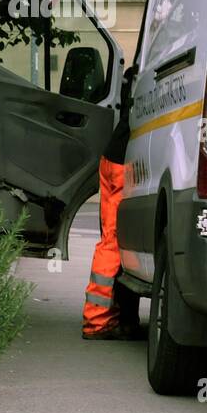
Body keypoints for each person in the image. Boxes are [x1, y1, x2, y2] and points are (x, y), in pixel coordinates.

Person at [82, 70, 141, 339]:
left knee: (114, 238)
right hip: (122, 165)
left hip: (113, 157)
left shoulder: (134, 72)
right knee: (114, 243)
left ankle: (117, 318)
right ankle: (97, 322)